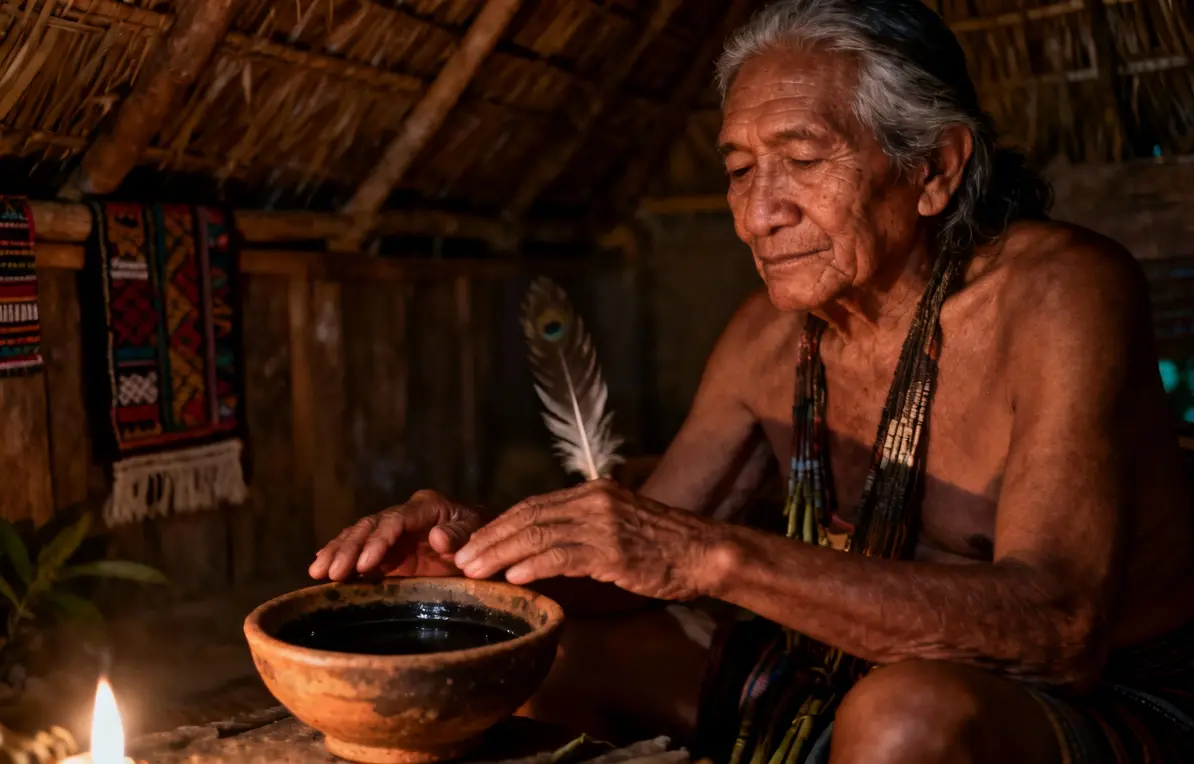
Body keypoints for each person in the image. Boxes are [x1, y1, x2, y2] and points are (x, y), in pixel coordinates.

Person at [310, 1, 1194, 761]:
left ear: (934, 171)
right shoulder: (771, 338)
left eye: (803, 162)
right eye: (739, 170)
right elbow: (632, 562)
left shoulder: (1060, 295)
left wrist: (712, 555)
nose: (759, 213)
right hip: (822, 678)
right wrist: (477, 553)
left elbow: (1060, 631)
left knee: (903, 718)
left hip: (1087, 705)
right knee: (556, 653)